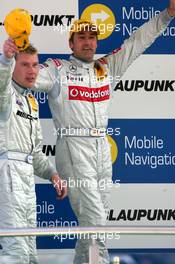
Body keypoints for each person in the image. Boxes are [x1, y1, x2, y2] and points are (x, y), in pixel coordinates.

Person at [4, 1, 175, 263]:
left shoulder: (106, 67)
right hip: (73, 146)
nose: (87, 42)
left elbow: (137, 43)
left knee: (95, 223)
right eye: (81, 37)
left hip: (101, 149)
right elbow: (20, 77)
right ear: (71, 43)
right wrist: (9, 58)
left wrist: (168, 15)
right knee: (94, 219)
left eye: (92, 38)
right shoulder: (56, 70)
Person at [0, 43, 67, 264]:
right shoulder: (5, 93)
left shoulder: (31, 100)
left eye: (36, 65)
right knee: (15, 249)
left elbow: (35, 152)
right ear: (13, 67)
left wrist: (53, 175)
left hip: (26, 176)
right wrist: (6, 59)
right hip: (7, 174)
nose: (32, 71)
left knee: (29, 253)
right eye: (25, 65)